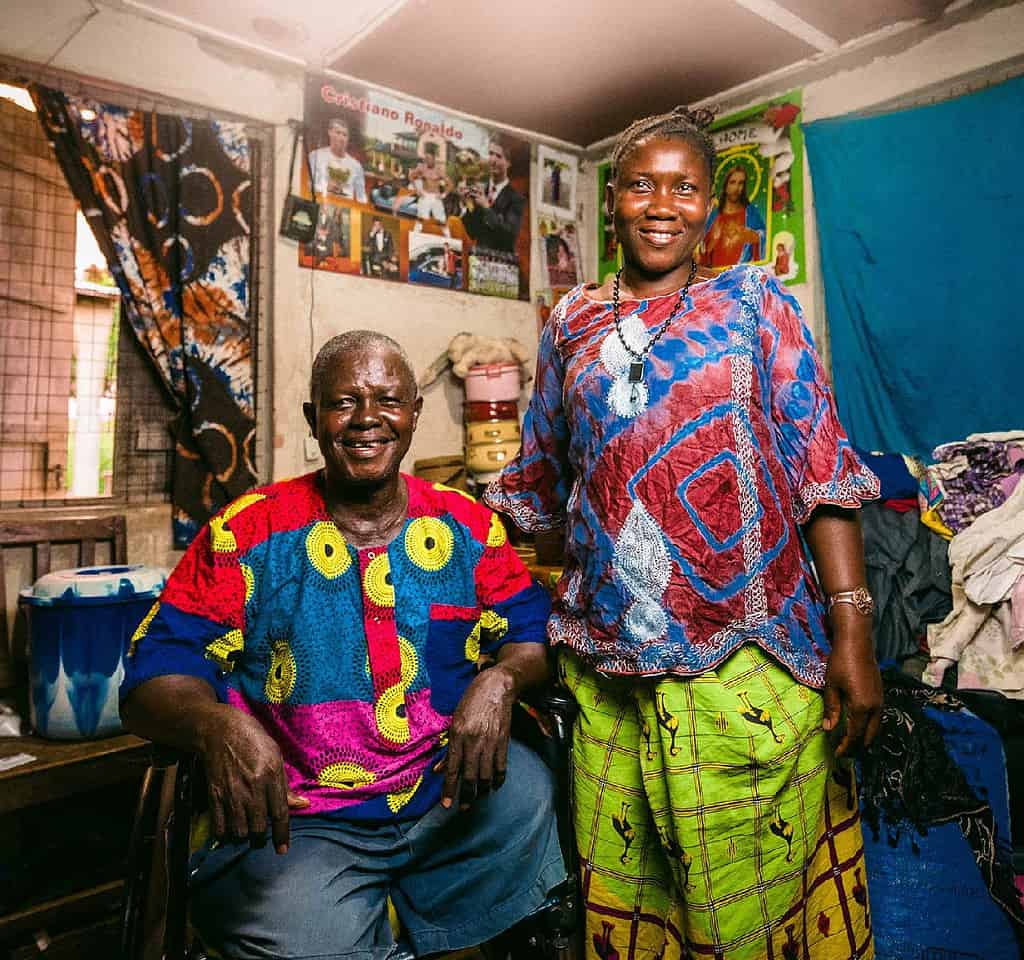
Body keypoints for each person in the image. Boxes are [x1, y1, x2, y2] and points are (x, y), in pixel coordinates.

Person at [484, 107, 882, 960]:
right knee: (633, 904)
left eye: (685, 186)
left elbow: (822, 467)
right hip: (607, 671)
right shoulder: (570, 325)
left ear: (710, 206)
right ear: (613, 202)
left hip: (746, 654)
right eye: (640, 183)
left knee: (749, 908)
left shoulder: (754, 303)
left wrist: (852, 627)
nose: (661, 204)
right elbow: (543, 483)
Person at [120, 331, 565, 960]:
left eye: (387, 400)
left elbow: (534, 634)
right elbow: (149, 682)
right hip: (300, 818)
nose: (366, 420)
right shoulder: (245, 531)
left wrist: (502, 681)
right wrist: (215, 725)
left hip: (445, 793)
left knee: (529, 796)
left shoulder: (468, 523)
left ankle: (438, 927)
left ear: (412, 413)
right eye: (343, 402)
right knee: (300, 934)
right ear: (313, 419)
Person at [461, 137, 524, 253]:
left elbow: (509, 237)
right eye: (490, 154)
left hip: (501, 263)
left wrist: (486, 207)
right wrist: (469, 204)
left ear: (508, 163)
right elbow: (471, 233)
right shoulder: (481, 190)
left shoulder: (516, 199)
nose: (492, 160)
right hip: (478, 259)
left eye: (499, 156)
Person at [700, 162, 766, 268]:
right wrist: (712, 241)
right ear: (725, 185)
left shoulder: (751, 213)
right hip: (717, 278)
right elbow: (702, 255)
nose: (736, 187)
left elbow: (763, 237)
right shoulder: (714, 216)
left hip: (742, 277)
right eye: (732, 182)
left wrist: (755, 236)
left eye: (741, 183)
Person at [309, 118, 368, 204]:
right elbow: (309, 185)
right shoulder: (316, 156)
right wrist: (326, 187)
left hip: (345, 210)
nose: (341, 138)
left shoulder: (356, 166)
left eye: (345, 135)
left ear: (348, 138)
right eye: (338, 133)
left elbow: (362, 197)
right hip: (320, 204)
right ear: (329, 132)